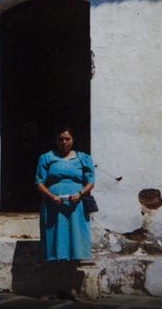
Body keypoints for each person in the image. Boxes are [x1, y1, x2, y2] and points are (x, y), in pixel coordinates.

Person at [35, 125, 95, 299]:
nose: (64, 142)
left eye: (67, 139)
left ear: (73, 140)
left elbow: (90, 181)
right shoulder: (46, 158)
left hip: (75, 206)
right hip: (53, 205)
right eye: (60, 139)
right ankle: (51, 289)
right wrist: (51, 196)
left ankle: (70, 288)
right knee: (53, 244)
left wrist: (80, 193)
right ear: (56, 140)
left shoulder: (83, 158)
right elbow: (39, 181)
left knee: (73, 244)